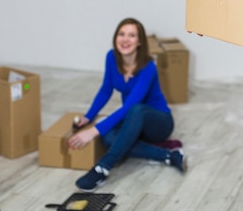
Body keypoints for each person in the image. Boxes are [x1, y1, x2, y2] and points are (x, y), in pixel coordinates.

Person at [68, 17, 186, 191]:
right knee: (107, 136)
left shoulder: (148, 67)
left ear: (139, 42)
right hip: (133, 121)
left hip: (158, 123)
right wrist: (88, 117)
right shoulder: (111, 57)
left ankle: (103, 167)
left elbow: (131, 105)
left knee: (135, 110)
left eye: (132, 35)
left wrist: (92, 132)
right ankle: (168, 156)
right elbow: (105, 90)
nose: (125, 39)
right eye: (121, 34)